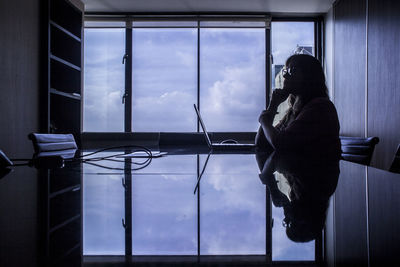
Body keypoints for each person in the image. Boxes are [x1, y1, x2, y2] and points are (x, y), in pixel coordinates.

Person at [256, 54, 341, 158]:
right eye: (286, 71)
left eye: (292, 70)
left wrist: (264, 120)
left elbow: (281, 144)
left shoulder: (320, 108)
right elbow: (261, 144)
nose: (285, 76)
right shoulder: (293, 111)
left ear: (309, 75)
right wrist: (273, 106)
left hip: (315, 173)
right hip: (299, 172)